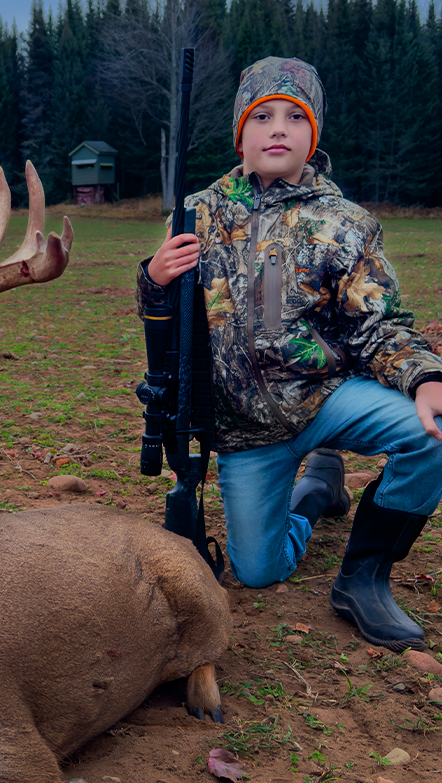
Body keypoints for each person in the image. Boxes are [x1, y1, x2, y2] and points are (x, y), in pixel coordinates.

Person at [136, 55, 442, 653]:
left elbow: (380, 325)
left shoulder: (346, 224)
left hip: (325, 398)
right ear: (240, 135)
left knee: (432, 435)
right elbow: (161, 313)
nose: (278, 129)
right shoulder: (198, 213)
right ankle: (317, 492)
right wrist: (154, 276)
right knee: (258, 570)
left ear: (313, 135)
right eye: (262, 117)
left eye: (295, 117)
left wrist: (426, 377)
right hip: (245, 430)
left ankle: (364, 578)